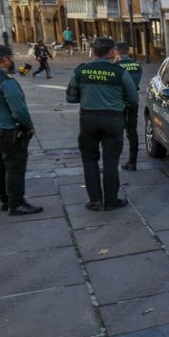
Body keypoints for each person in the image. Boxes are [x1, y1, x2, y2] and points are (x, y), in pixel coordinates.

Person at [66, 37, 139, 211]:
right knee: (111, 161)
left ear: (93, 52)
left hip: (88, 120)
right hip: (113, 120)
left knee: (89, 160)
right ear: (111, 52)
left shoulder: (80, 71)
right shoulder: (120, 72)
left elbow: (70, 97)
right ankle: (111, 200)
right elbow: (133, 99)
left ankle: (95, 200)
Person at [0, 45, 42, 216]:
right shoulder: (6, 81)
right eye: (10, 58)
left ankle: (4, 200)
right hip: (7, 132)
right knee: (14, 168)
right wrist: (28, 126)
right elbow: (19, 110)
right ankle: (16, 203)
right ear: (5, 60)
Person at [114, 41, 142, 171]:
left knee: (115, 133)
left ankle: (112, 162)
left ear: (116, 52)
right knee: (132, 132)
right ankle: (132, 161)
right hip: (133, 101)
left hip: (119, 102)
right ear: (128, 51)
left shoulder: (116, 66)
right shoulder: (137, 66)